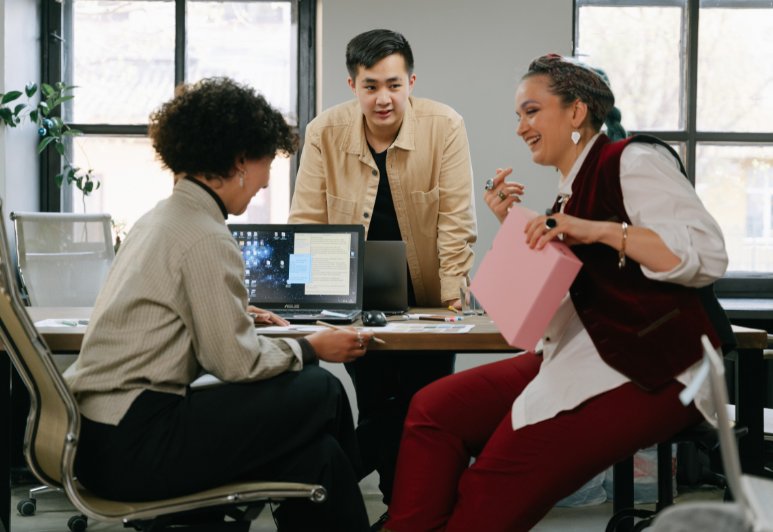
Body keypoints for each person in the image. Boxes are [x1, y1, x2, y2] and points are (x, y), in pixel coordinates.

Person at [382, 54, 730, 532]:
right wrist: (515, 225)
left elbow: (707, 255)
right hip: (581, 351)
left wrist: (596, 230)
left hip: (653, 367)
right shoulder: (568, 191)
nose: (521, 127)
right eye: (518, 116)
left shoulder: (631, 160)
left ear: (576, 112)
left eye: (531, 111)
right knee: (432, 410)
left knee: (488, 488)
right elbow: (559, 306)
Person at [64, 78, 375, 532]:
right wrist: (312, 346)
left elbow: (164, 310)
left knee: (318, 460)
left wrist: (232, 312)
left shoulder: (161, 219)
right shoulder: (206, 235)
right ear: (240, 161)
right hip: (137, 441)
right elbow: (234, 361)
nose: (266, 180)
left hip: (96, 437)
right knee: (322, 388)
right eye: (267, 163)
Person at [288, 29, 477, 526]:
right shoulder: (324, 131)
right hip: (355, 291)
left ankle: (379, 499)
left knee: (426, 404)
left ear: (411, 81)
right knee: (377, 401)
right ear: (352, 85)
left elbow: (457, 220)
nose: (383, 98)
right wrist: (305, 302)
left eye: (394, 84)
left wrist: (454, 294)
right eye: (370, 86)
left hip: (430, 293)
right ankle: (406, 515)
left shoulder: (445, 125)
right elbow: (306, 220)